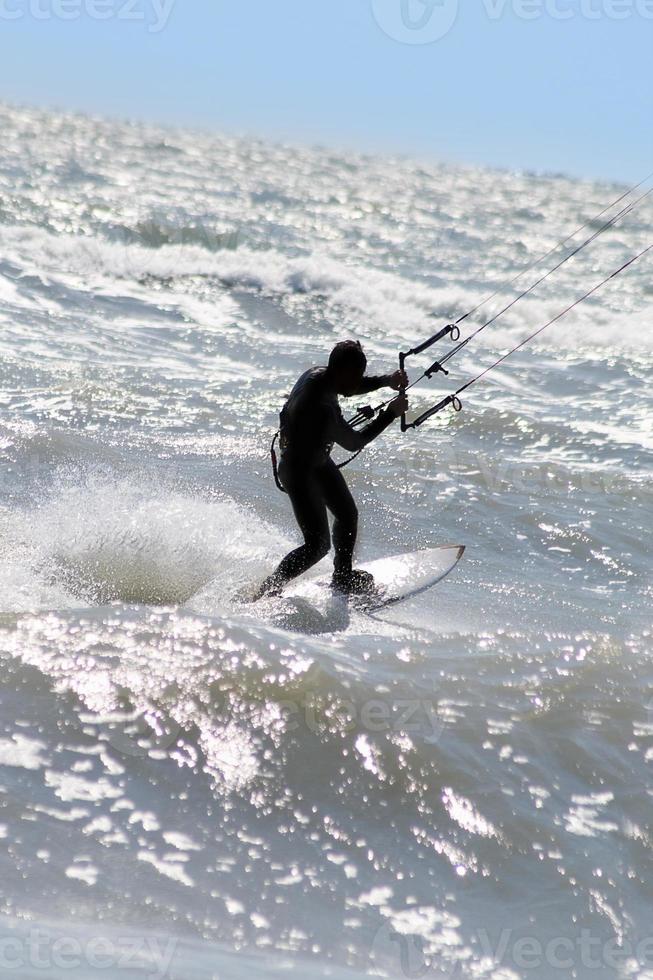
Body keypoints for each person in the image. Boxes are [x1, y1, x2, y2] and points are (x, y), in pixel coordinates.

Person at [257, 340, 408, 598]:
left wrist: (386, 381)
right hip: (298, 471)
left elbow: (349, 388)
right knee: (317, 545)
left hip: (316, 461)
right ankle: (268, 590)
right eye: (355, 376)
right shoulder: (322, 407)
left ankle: (343, 577)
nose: (357, 383)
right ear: (341, 372)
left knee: (348, 514)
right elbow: (353, 442)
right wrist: (390, 414)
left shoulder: (320, 375)